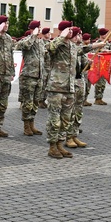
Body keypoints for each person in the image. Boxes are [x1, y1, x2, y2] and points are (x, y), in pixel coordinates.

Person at [44, 21, 78, 158]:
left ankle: (60, 144)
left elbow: (81, 50)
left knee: (65, 119)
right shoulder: (57, 44)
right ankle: (52, 146)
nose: (71, 31)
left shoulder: (72, 46)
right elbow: (49, 48)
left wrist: (96, 45)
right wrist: (61, 37)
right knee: (54, 119)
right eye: (68, 29)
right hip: (56, 87)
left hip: (69, 88)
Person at [14, 19, 45, 137]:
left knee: (35, 102)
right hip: (29, 76)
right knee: (27, 103)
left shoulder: (41, 42)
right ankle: (26, 126)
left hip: (39, 76)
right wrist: (33, 35)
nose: (40, 29)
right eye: (38, 27)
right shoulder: (26, 40)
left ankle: (32, 124)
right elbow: (24, 46)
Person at [92, 28, 110, 104]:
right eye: (105, 34)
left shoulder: (107, 44)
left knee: (103, 83)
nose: (106, 35)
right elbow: (94, 54)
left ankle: (101, 97)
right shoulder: (97, 43)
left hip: (105, 66)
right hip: (99, 65)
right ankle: (97, 98)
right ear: (102, 34)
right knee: (99, 83)